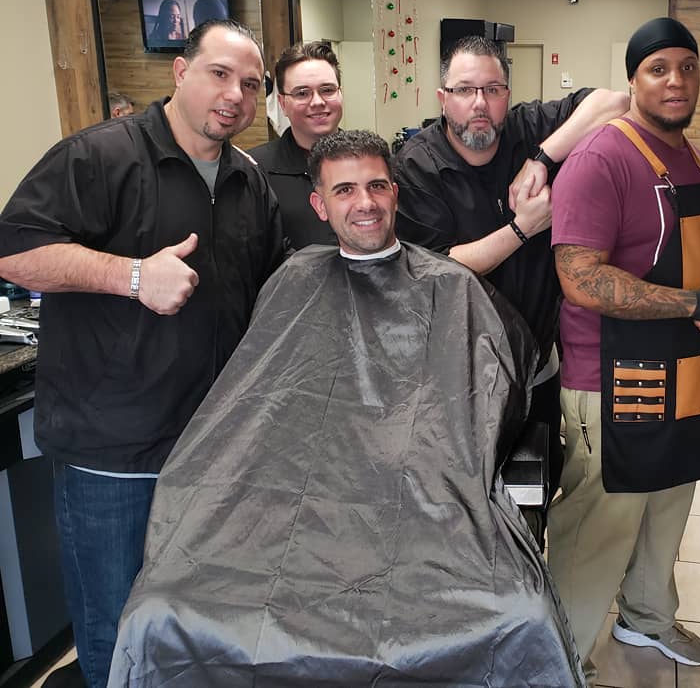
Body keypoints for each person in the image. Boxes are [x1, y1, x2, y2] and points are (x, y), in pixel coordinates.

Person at [109, 130, 587, 688]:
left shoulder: (450, 288)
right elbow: (247, 412)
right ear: (320, 204)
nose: (364, 203)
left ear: (395, 194)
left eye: (376, 186)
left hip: (424, 513)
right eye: (345, 191)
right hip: (285, 516)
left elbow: (497, 397)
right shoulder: (293, 282)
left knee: (520, 615)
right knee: (158, 609)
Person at [0, 19, 285, 688]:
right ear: (180, 72)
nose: (234, 95)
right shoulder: (98, 156)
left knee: (199, 624)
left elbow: (274, 283)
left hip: (215, 451)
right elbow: (14, 250)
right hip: (117, 459)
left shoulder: (247, 179)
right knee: (117, 629)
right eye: (219, 74)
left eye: (250, 84)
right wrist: (130, 276)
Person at [546, 16, 700, 684]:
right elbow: (581, 277)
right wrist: (692, 306)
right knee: (597, 531)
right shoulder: (602, 159)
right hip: (612, 379)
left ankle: (647, 618)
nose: (676, 80)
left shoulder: (691, 158)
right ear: (633, 79)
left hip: (687, 374)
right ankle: (556, 659)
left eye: (687, 66)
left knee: (667, 511)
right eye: (659, 68)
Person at [394, 35, 629, 528]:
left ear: (507, 93)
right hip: (458, 377)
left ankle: (529, 582)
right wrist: (523, 228)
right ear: (442, 99)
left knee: (529, 494)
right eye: (464, 90)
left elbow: (615, 101)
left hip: (537, 368)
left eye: (492, 89)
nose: (479, 103)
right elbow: (440, 268)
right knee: (463, 504)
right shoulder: (416, 165)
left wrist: (543, 157)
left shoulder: (528, 127)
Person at [248, 41, 343, 249]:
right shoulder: (254, 171)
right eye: (302, 93)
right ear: (282, 104)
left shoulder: (371, 163)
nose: (317, 102)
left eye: (327, 90)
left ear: (340, 94)